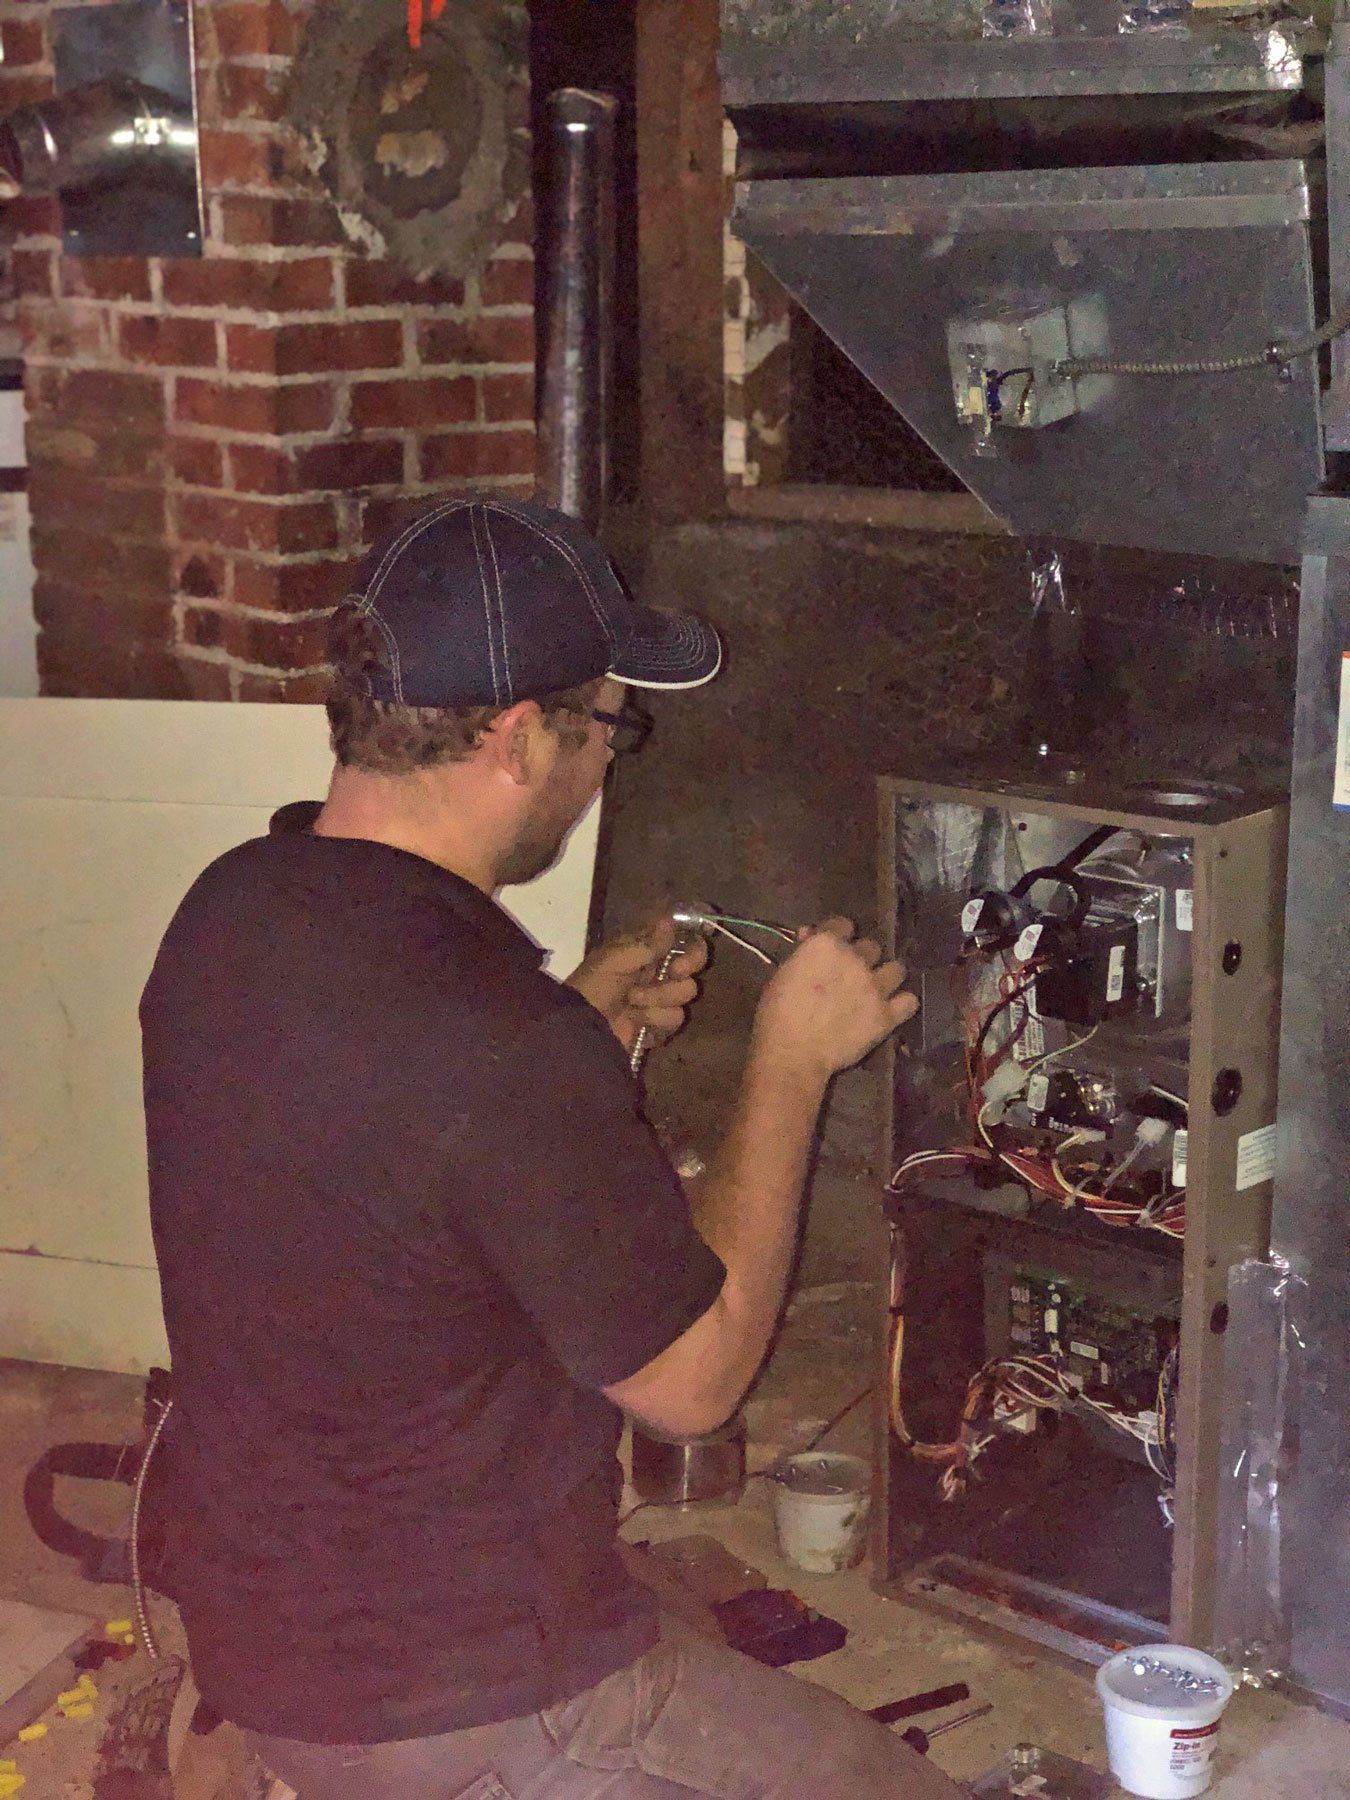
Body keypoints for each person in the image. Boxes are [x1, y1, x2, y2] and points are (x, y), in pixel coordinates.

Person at [141, 495, 962, 1799]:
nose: (607, 766)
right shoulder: (502, 1046)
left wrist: (578, 1031)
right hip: (464, 1700)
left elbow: (383, 1155)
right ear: (520, 739)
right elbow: (692, 1383)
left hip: (257, 1632)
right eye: (605, 725)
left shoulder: (229, 911)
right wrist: (789, 1065)